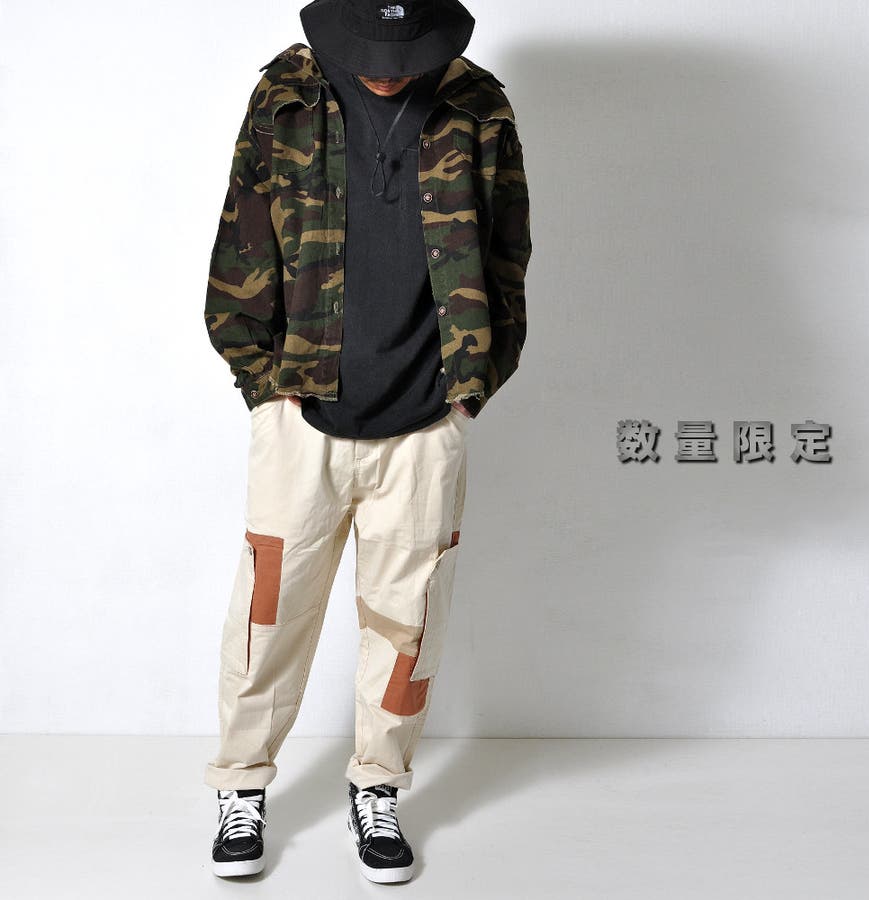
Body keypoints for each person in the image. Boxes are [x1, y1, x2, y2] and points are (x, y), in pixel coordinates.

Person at [202, 0, 531, 883]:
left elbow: (508, 252)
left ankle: (378, 785)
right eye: (371, 52)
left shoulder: (479, 106)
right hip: (299, 410)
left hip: (426, 420)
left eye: (405, 52)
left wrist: (472, 388)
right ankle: (241, 785)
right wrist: (260, 385)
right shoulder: (285, 95)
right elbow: (240, 235)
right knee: (269, 615)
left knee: (408, 623)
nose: (388, 69)